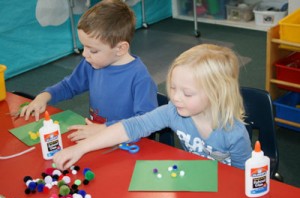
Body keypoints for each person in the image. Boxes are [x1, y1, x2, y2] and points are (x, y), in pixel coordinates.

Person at [53, 44, 252, 170]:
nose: (175, 97)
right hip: (194, 175)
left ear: (216, 94)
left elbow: (243, 176)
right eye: (172, 88)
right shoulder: (173, 111)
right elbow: (131, 127)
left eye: (187, 93)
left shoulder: (234, 133)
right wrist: (81, 149)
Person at [20, 0, 158, 138]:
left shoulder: (140, 78)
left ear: (120, 49)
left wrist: (105, 129)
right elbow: (69, 86)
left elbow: (145, 122)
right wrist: (43, 97)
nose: (85, 54)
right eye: (84, 46)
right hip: (96, 137)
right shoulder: (91, 63)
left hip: (126, 143)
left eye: (93, 50)